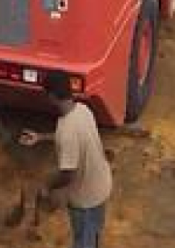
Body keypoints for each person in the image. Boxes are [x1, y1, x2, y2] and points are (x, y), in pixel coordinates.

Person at [18, 71, 112, 248]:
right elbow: (72, 138)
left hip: (85, 199)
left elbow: (68, 174)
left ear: (52, 96)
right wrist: (40, 137)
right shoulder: (83, 110)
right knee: (95, 233)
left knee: (83, 240)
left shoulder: (66, 130)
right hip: (102, 185)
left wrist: (48, 186)